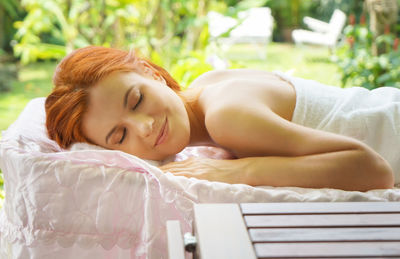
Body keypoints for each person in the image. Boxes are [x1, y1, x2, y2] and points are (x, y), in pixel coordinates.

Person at [45, 45, 396, 191]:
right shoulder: (204, 89)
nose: (144, 127)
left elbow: (373, 169)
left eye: (136, 100)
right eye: (119, 137)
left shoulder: (226, 116)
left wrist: (235, 171)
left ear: (151, 73)